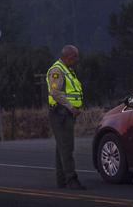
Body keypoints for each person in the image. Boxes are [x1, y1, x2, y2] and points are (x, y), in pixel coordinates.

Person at [46, 44, 85, 190]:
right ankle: (71, 180)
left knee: (61, 148)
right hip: (61, 114)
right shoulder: (57, 70)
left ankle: (61, 180)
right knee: (67, 147)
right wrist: (71, 107)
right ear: (68, 56)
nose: (77, 59)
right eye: (75, 57)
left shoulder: (68, 70)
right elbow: (55, 93)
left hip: (65, 114)